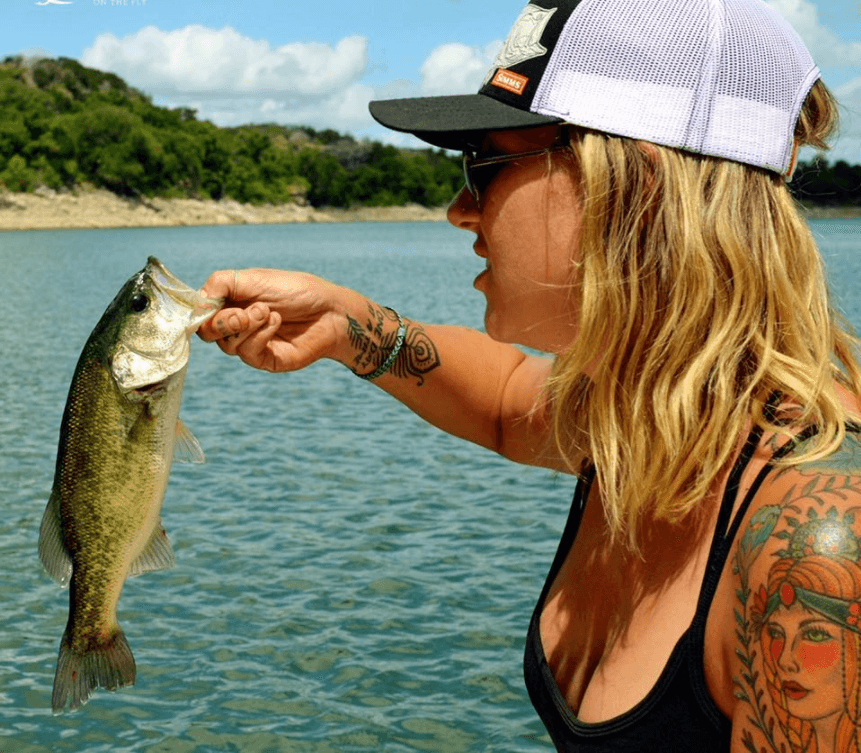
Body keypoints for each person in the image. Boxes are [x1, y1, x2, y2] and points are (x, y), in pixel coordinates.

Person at [197, 0, 861, 750]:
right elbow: (510, 405)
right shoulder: (653, 417)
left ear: (631, 184)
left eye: (481, 165)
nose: (457, 210)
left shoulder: (815, 548)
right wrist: (351, 328)